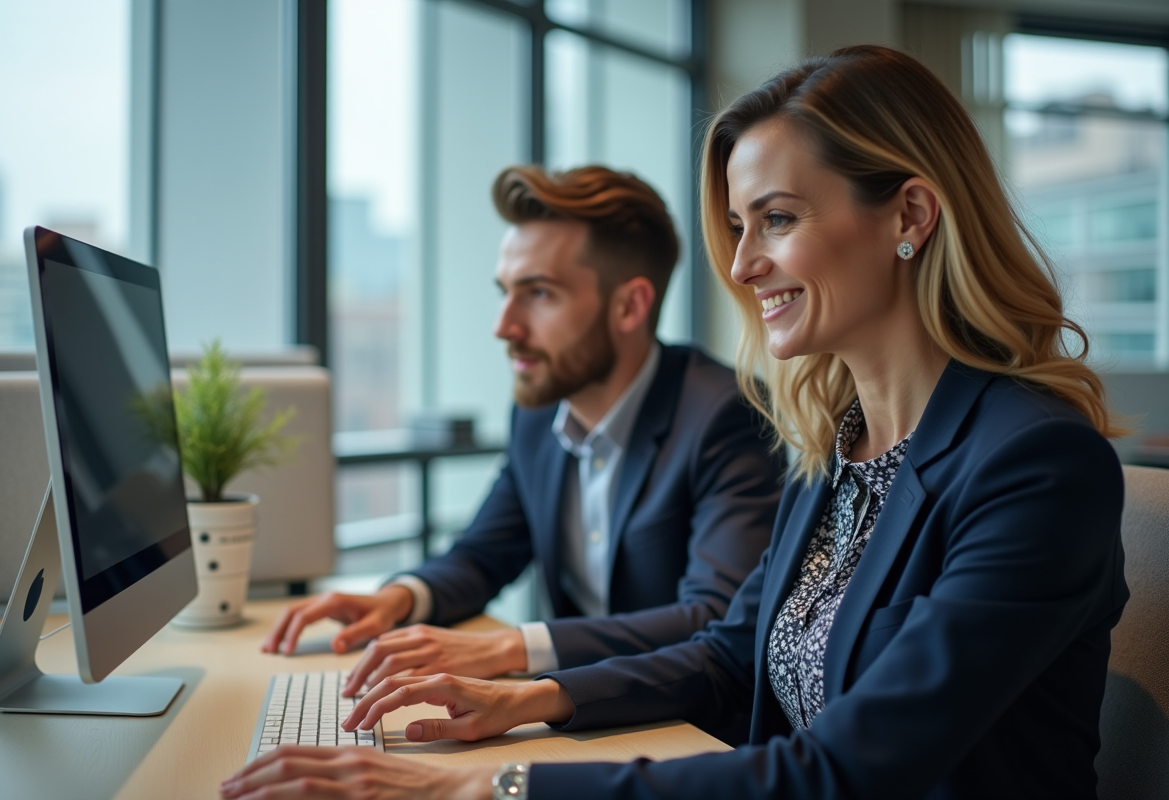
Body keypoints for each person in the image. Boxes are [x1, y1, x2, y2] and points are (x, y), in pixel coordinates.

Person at [224, 45, 1129, 800]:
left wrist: (486, 788)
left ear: (911, 215)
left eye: (776, 219)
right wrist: (528, 700)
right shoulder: (837, 445)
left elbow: (846, 771)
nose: (741, 264)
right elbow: (733, 657)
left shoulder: (1037, 463)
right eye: (738, 226)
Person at [262, 165, 784, 701]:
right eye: (505, 292)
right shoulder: (538, 417)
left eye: (538, 294)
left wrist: (509, 648)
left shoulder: (725, 413)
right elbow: (484, 553)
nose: (504, 326)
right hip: (581, 714)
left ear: (630, 305)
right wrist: (399, 598)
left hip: (687, 726)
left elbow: (714, 616)